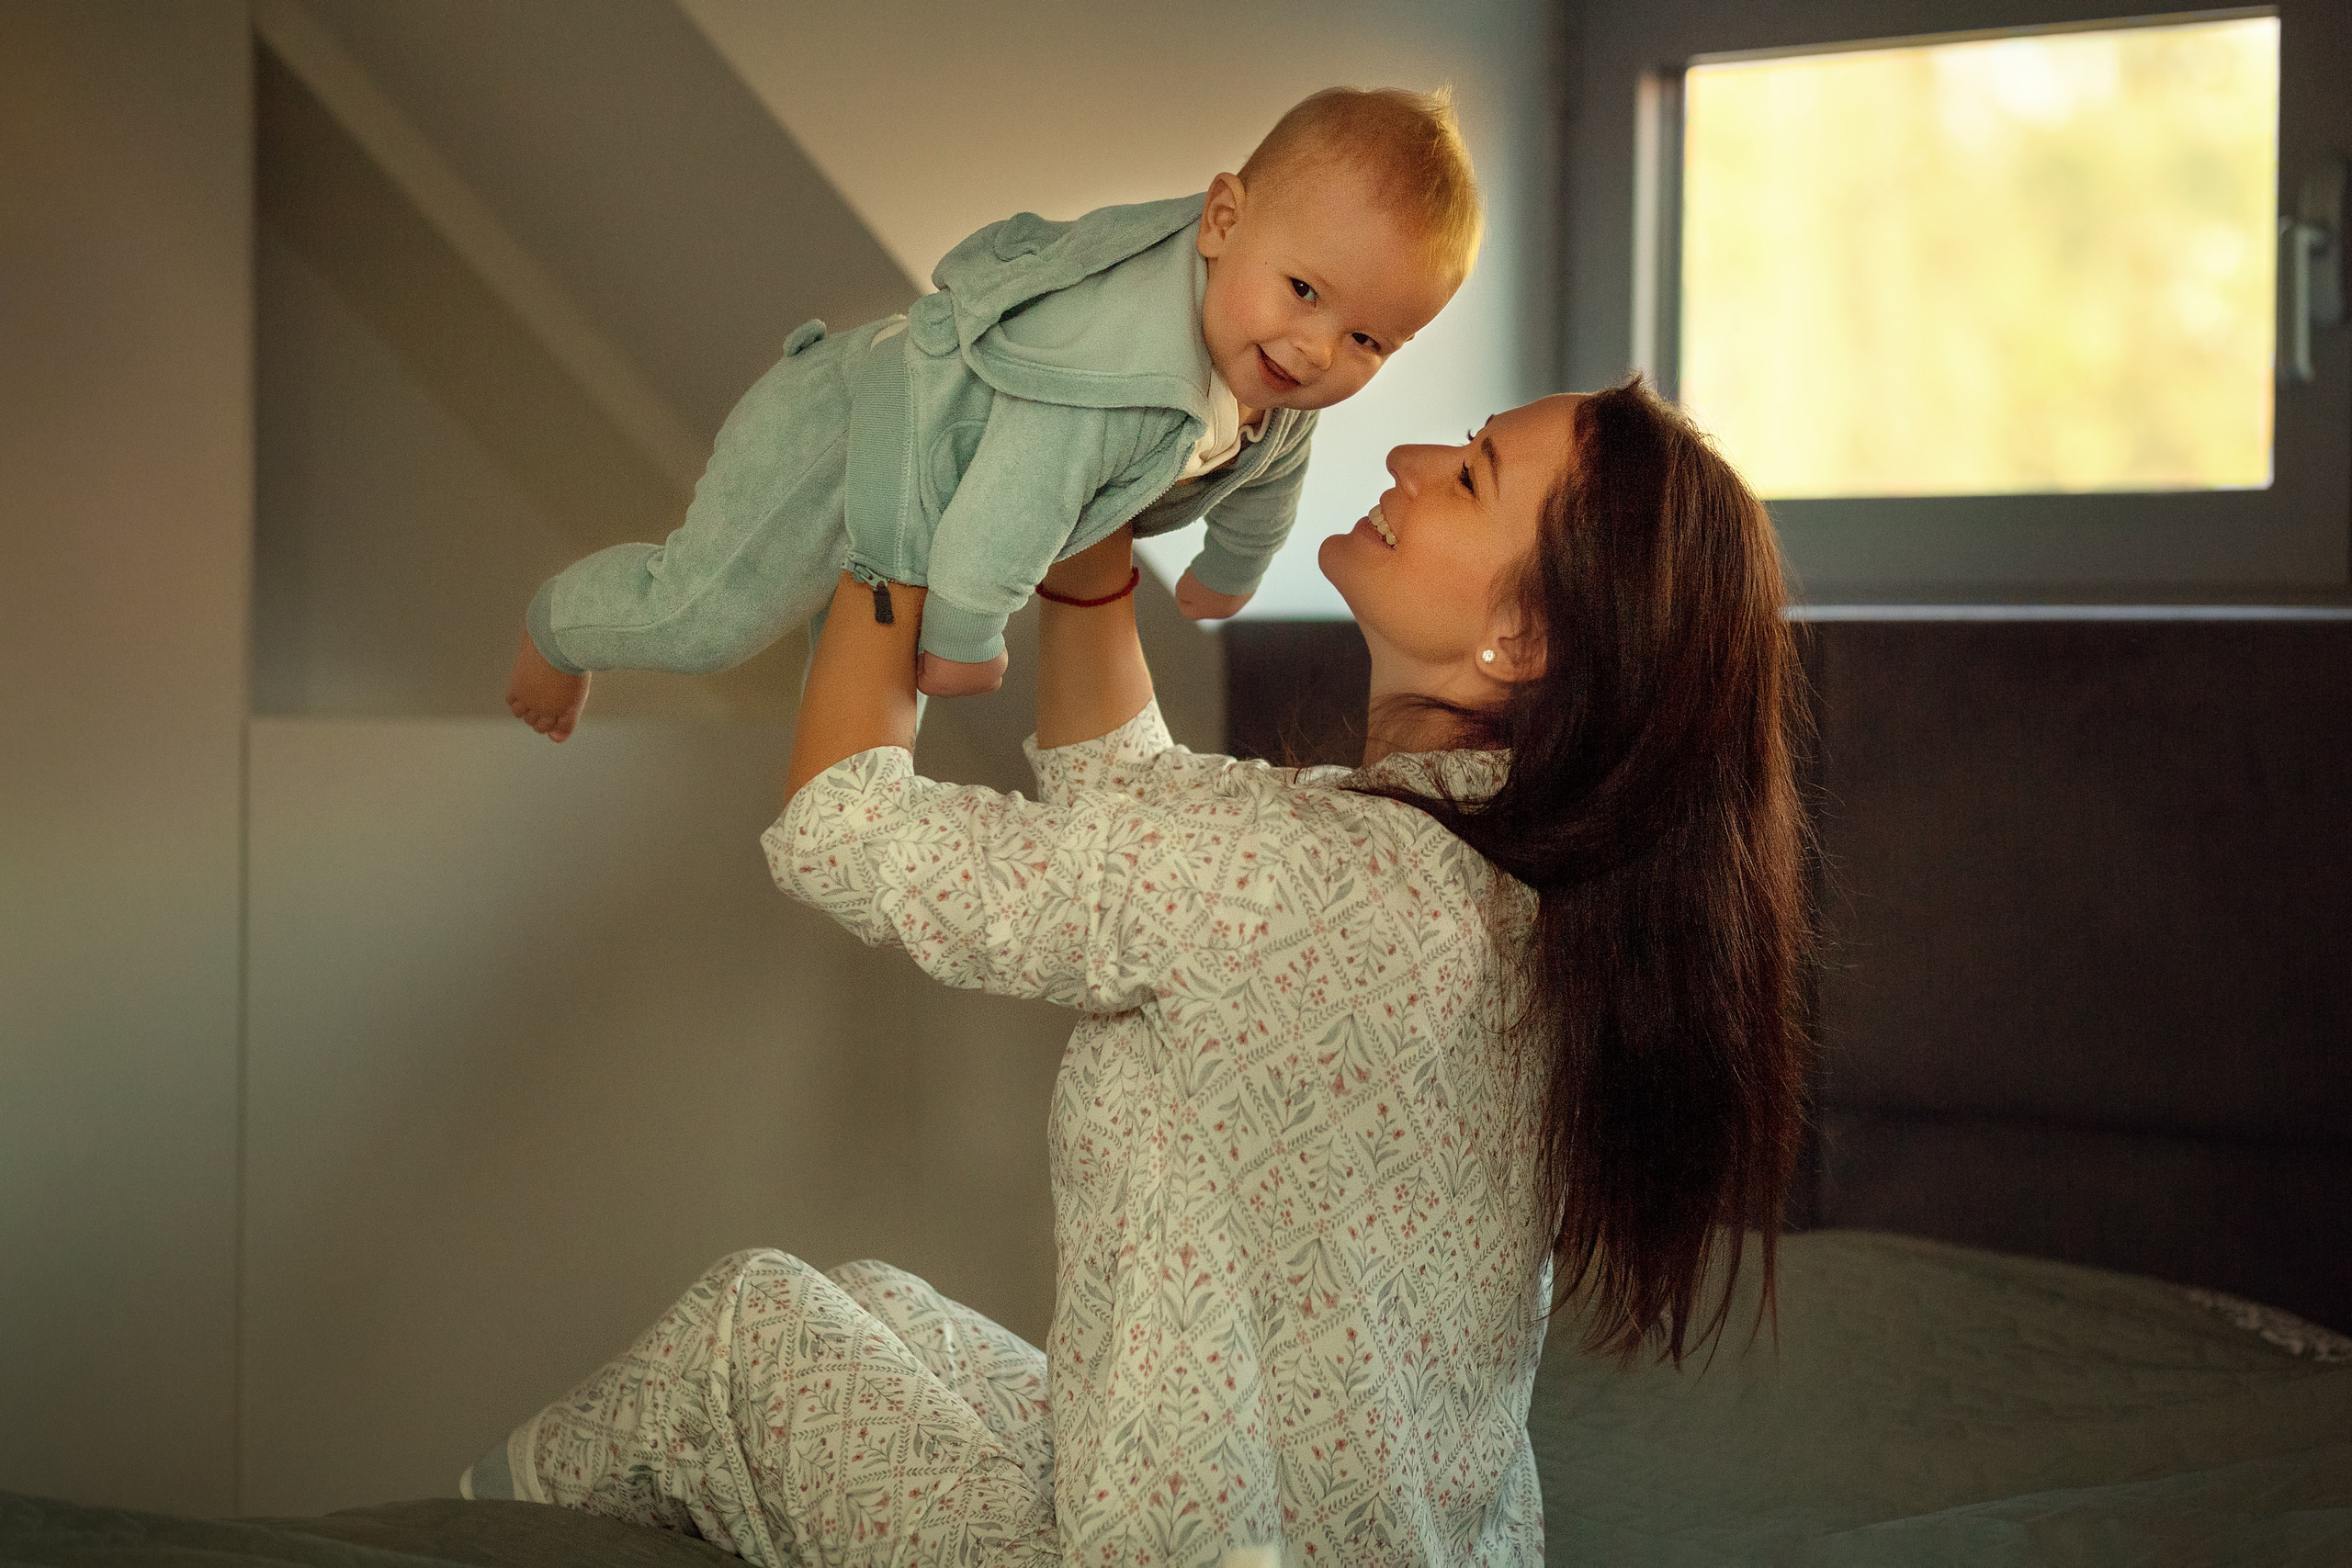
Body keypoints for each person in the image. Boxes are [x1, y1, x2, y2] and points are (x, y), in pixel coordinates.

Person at [464, 379, 1815, 1566]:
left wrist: (890, 517)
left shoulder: (1306, 879)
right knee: (876, 1303)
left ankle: (430, 1535)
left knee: (741, 1332)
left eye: (1467, 472)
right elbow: (1148, 815)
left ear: (1522, 645)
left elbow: (847, 830)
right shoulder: (1505, 883)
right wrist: (1089, 514)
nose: (1409, 457)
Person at [503, 86, 1479, 741]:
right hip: (848, 429)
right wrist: (969, 638)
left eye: (1369, 342)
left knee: (859, 708)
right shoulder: (1118, 379)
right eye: (1305, 290)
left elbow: (1272, 480)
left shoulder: (1272, 375)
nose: (1318, 352)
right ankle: (561, 627)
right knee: (703, 619)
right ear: (1222, 223)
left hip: (929, 490)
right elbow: (1006, 512)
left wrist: (1233, 570)